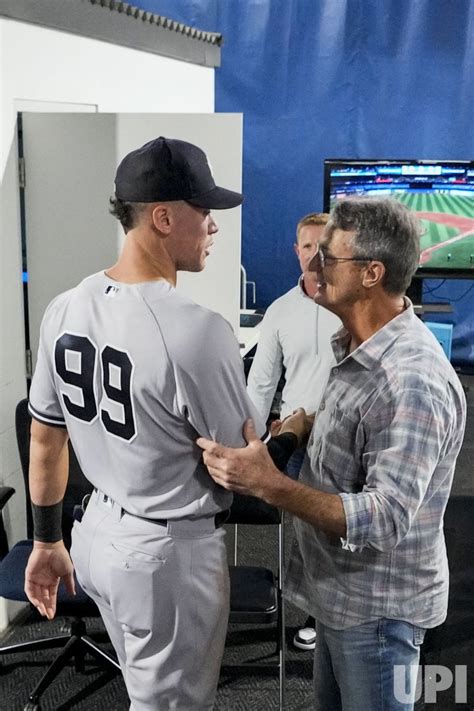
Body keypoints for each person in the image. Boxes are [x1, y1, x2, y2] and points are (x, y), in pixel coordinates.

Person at [23, 136, 303, 710]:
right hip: (163, 553)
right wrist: (296, 427)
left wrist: (46, 538)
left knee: (143, 694)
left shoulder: (65, 304)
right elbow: (244, 466)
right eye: (206, 212)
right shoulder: (195, 329)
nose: (214, 227)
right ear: (163, 216)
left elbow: (46, 437)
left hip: (93, 535)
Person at [197, 197, 467, 711]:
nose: (312, 265)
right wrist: (303, 427)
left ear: (371, 273)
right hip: (343, 602)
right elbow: (366, 430)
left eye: (327, 257)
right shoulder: (359, 346)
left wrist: (269, 484)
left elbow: (385, 518)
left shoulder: (409, 379)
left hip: (378, 612)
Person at [247, 212, 340, 650]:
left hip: (348, 437)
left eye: (323, 245)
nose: (314, 254)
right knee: (308, 532)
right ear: (296, 251)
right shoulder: (281, 311)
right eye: (306, 246)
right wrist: (249, 442)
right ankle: (315, 613)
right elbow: (261, 384)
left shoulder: (351, 302)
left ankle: (342, 615)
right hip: (299, 439)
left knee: (346, 527)